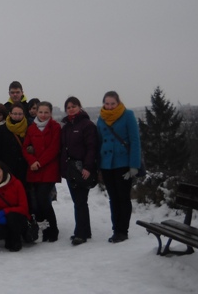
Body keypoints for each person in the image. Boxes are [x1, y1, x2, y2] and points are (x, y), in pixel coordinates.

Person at [97, 91, 141, 244]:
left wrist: (134, 165)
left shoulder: (127, 115)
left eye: (112, 104)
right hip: (107, 164)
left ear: (118, 103)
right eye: (106, 104)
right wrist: (98, 165)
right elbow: (99, 141)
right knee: (113, 198)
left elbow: (135, 141)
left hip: (123, 164)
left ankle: (123, 231)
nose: (109, 107)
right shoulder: (101, 117)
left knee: (123, 197)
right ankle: (116, 229)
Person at [60, 96, 99, 246]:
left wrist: (88, 167)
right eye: (68, 107)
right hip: (71, 169)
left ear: (79, 107)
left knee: (80, 201)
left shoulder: (87, 125)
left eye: (73, 106)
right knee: (78, 201)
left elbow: (92, 147)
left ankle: (81, 234)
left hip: (82, 168)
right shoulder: (66, 127)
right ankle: (84, 230)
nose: (71, 109)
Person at [22, 101, 61, 242]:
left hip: (49, 169)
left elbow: (54, 148)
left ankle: (53, 229)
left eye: (46, 112)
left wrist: (39, 162)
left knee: (43, 199)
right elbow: (25, 147)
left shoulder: (55, 127)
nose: (43, 115)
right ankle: (43, 229)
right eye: (40, 112)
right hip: (34, 169)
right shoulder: (31, 128)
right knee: (36, 202)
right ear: (36, 112)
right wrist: (32, 161)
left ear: (50, 113)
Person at [0, 161, 30, 252]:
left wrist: (5, 211)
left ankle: (17, 239)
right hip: (4, 219)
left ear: (4, 171)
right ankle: (8, 237)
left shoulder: (16, 183)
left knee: (12, 216)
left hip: (19, 218)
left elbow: (24, 208)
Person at [0, 103, 29, 186]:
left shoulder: (28, 127)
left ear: (23, 114)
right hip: (7, 167)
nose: (17, 116)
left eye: (20, 114)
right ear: (10, 114)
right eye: (15, 114)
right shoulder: (2, 129)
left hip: (24, 167)